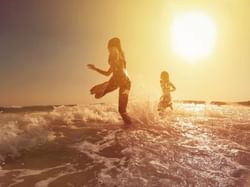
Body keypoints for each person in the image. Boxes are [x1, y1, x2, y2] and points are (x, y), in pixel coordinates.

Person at [87, 37, 132, 124]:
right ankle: (106, 84)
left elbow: (117, 57)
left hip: (125, 83)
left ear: (114, 47)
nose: (109, 50)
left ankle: (130, 127)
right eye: (109, 48)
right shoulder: (114, 57)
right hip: (115, 81)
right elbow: (107, 73)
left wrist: (115, 54)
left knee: (122, 110)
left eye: (110, 48)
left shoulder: (118, 55)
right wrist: (95, 68)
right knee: (97, 95)